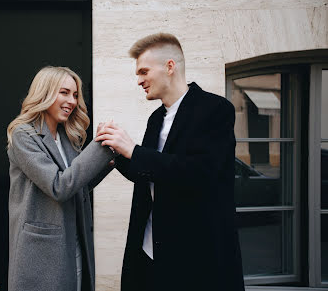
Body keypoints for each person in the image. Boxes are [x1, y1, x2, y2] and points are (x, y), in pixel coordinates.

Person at [96, 33, 245, 291]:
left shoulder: (216, 109)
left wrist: (133, 150)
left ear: (169, 66)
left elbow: (201, 173)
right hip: (149, 251)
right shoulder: (156, 118)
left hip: (196, 257)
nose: (139, 80)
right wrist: (116, 152)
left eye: (143, 71)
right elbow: (148, 173)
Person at [7, 66, 114, 291]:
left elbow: (77, 184)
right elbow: (58, 186)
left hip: (73, 240)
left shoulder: (67, 136)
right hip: (42, 251)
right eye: (64, 92)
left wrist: (110, 160)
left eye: (75, 95)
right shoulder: (23, 135)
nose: (72, 101)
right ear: (45, 93)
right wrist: (98, 147)